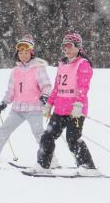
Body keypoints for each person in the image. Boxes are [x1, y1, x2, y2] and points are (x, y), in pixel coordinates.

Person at [0, 35, 52, 163]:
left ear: (32, 53)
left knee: (39, 134)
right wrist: (3, 103)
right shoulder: (15, 71)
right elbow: (11, 91)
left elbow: (46, 85)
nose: (23, 55)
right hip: (17, 109)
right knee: (4, 130)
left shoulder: (38, 68)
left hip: (34, 108)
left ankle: (50, 161)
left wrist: (45, 95)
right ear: (17, 54)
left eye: (26, 52)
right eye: (21, 52)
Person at [37, 31, 96, 173]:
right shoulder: (62, 64)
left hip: (75, 111)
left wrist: (78, 105)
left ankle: (88, 167)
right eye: (64, 46)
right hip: (60, 110)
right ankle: (43, 166)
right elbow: (57, 87)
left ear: (78, 46)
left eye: (69, 46)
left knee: (73, 139)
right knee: (47, 136)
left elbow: (83, 87)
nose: (66, 49)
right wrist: (49, 104)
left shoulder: (83, 64)